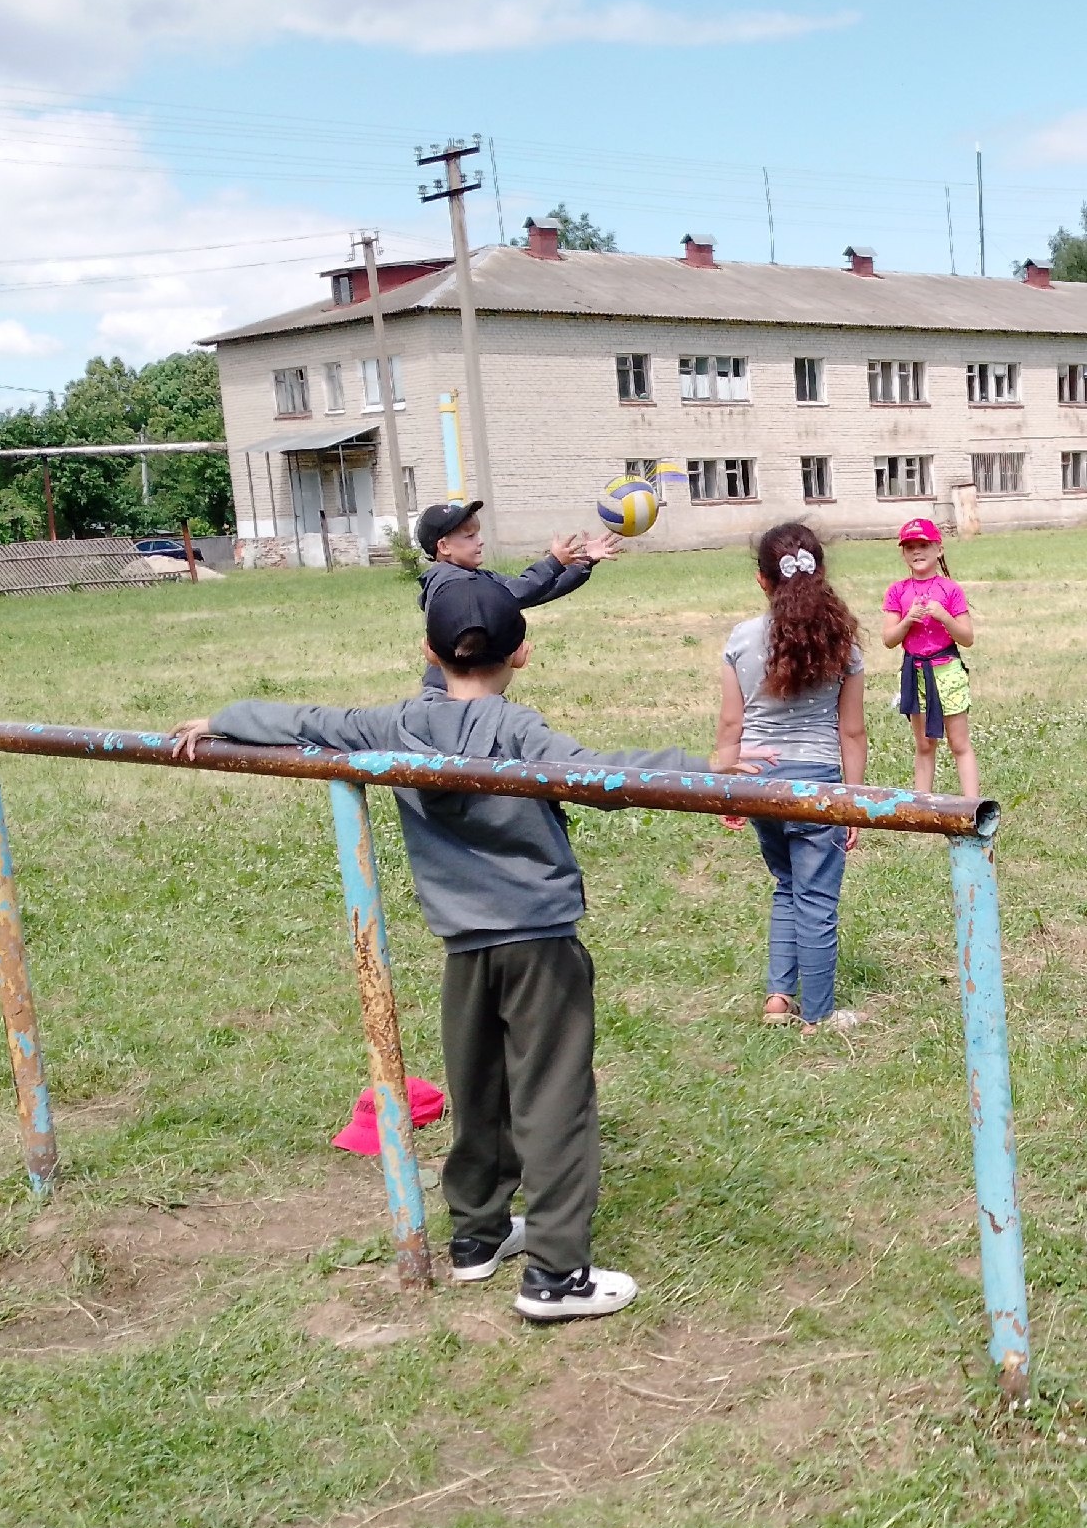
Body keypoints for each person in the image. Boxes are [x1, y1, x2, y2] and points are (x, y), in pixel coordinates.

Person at [174, 575, 748, 1324]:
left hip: (462, 943)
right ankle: (555, 1276)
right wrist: (708, 774)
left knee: (479, 1092)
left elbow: (299, 717)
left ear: (428, 651)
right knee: (554, 1099)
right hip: (539, 942)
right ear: (523, 654)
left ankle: (476, 1236)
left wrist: (220, 719)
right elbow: (602, 775)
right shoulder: (517, 730)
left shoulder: (394, 724)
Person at [718, 523, 868, 1032]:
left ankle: (778, 999)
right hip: (818, 785)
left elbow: (731, 726)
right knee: (817, 899)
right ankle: (819, 1016)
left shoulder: (740, 638)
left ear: (762, 580)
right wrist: (852, 799)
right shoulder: (842, 640)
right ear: (821, 572)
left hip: (758, 781)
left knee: (787, 884)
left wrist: (728, 790)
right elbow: (851, 730)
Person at [414, 500, 619, 695]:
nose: (481, 541)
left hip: (473, 686)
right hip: (449, 689)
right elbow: (514, 592)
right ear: (444, 547)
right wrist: (553, 563)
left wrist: (584, 562)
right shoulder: (450, 583)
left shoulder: (477, 578)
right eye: (470, 536)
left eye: (478, 534)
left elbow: (538, 590)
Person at [881, 516, 979, 798]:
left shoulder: (951, 590)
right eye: (909, 546)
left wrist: (943, 615)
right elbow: (889, 640)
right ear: (903, 553)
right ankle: (921, 806)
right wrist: (908, 620)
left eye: (923, 544)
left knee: (959, 742)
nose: (917, 552)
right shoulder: (897, 591)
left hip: (947, 671)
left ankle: (971, 805)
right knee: (924, 745)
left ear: (939, 549)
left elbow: (967, 638)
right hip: (915, 673)